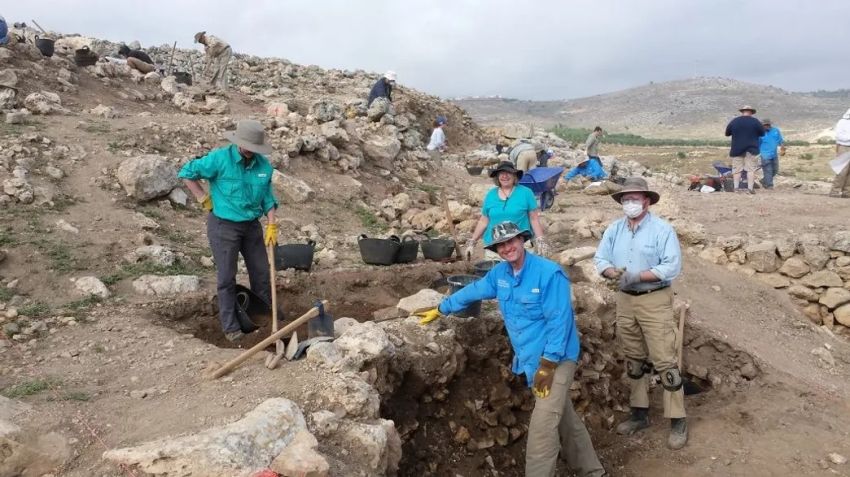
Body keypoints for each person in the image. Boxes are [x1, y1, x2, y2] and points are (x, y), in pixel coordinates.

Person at [417, 222, 608, 477]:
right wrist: (443, 307)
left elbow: (559, 322)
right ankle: (594, 471)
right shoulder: (500, 275)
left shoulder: (549, 274)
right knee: (564, 419)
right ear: (496, 250)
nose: (507, 248)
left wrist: (549, 365)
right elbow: (474, 290)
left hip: (557, 359)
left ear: (522, 239)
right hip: (531, 360)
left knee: (541, 431)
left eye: (511, 241)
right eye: (501, 245)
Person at [593, 177, 686, 450]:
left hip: (654, 298)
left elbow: (671, 266)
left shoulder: (662, 230)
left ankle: (678, 419)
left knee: (664, 359)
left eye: (635, 198)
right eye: (625, 199)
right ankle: (639, 413)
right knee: (634, 358)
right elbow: (600, 258)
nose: (630, 203)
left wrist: (637, 276)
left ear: (646, 201)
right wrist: (612, 272)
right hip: (625, 299)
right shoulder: (614, 230)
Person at [177, 120, 278, 342]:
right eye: (248, 147)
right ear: (239, 142)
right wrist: (203, 198)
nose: (251, 152)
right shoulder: (219, 159)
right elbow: (186, 173)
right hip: (224, 226)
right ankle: (231, 327)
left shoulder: (264, 167)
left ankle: (264, 319)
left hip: (252, 226)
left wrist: (271, 223)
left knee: (262, 273)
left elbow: (268, 199)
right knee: (226, 277)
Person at [465, 161, 547, 259]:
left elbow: (534, 219)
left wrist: (541, 240)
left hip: (520, 246)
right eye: (501, 173)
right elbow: (484, 221)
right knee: (497, 273)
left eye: (508, 173)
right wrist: (472, 242)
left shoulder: (526, 193)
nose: (505, 176)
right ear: (497, 177)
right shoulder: (490, 195)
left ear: (514, 176)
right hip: (495, 247)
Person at [724, 105, 764, 194]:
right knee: (750, 169)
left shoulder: (734, 121)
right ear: (751, 112)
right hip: (751, 149)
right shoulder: (755, 122)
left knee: (737, 170)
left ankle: (736, 188)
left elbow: (727, 133)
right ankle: (750, 189)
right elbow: (762, 133)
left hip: (736, 149)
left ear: (742, 112)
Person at [758, 119, 784, 190]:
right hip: (764, 155)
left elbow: (781, 141)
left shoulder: (776, 131)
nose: (766, 126)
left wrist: (782, 149)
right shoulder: (759, 133)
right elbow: (757, 144)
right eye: (764, 125)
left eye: (767, 125)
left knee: (775, 170)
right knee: (768, 170)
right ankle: (769, 186)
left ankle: (764, 181)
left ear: (770, 125)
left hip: (774, 154)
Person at [830, 108, 850, 198]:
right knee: (842, 170)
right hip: (844, 147)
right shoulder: (842, 122)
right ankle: (835, 191)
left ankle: (847, 192)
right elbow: (839, 136)